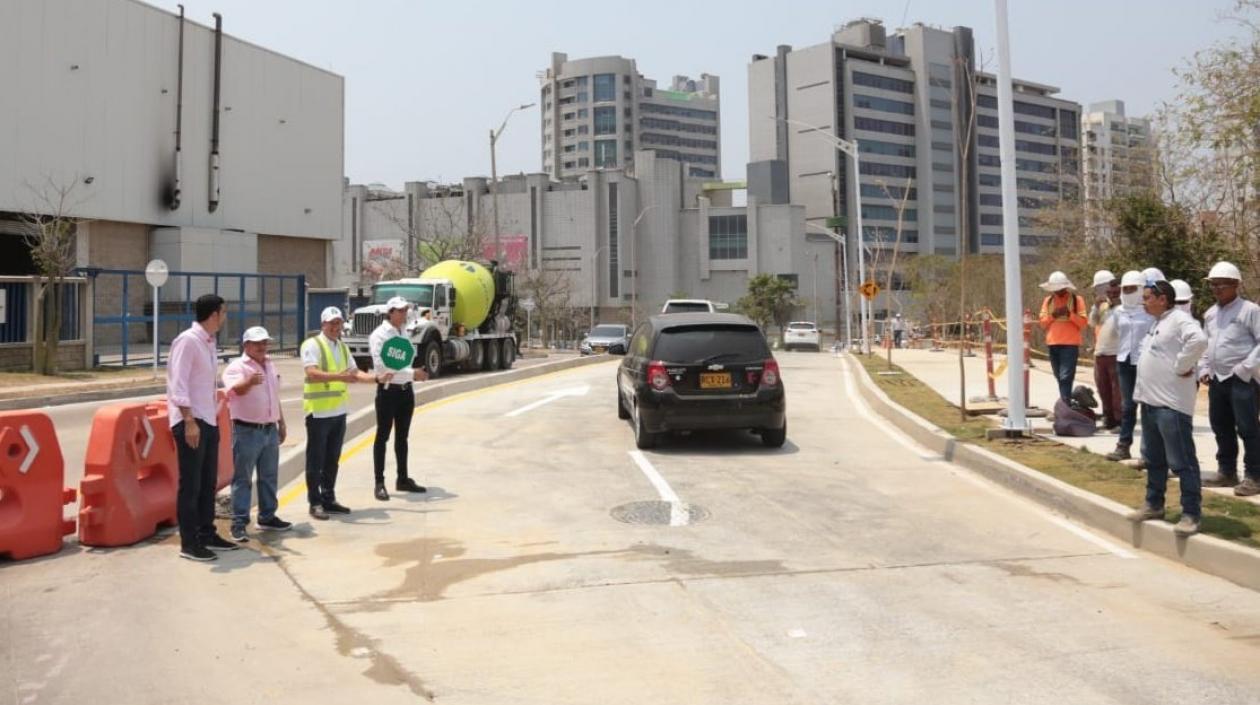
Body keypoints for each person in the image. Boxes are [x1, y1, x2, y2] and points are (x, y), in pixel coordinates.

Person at [1128, 280, 1208, 536]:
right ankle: (1154, 504)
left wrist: (1183, 365)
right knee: (1154, 460)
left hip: (1171, 407)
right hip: (1151, 404)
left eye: (1148, 297)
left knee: (1182, 462)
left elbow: (1198, 340)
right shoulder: (1158, 323)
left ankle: (1191, 513)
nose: (1144, 301)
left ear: (1163, 299)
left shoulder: (1179, 320)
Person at [168, 294, 237, 561]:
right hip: (191, 422)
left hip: (208, 419)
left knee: (208, 482)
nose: (225, 317)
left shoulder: (208, 343)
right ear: (214, 314)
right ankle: (189, 542)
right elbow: (179, 385)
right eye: (224, 312)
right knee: (191, 485)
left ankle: (207, 533)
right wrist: (188, 421)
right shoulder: (188, 341)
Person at [302, 307, 379, 520]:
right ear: (323, 325)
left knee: (332, 459)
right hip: (318, 413)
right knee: (315, 460)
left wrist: (376, 379)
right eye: (332, 323)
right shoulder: (312, 345)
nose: (336, 327)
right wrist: (339, 377)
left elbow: (354, 373)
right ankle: (315, 502)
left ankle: (329, 498)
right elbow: (312, 372)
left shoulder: (343, 348)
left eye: (339, 323)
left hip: (338, 412)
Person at [222, 326, 291, 543]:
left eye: (265, 342)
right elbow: (235, 391)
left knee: (269, 476)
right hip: (247, 430)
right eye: (258, 343)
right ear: (246, 345)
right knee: (243, 478)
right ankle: (239, 522)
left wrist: (281, 422)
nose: (263, 347)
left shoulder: (270, 364)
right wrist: (249, 382)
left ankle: (267, 516)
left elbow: (274, 396)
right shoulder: (237, 367)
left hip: (269, 429)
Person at [1198, 261, 1260, 496]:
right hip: (1218, 379)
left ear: (1235, 285)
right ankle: (1227, 471)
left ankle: (1254, 475)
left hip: (1242, 379)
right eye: (1213, 285)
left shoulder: (1250, 311)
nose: (1216, 290)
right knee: (1220, 425)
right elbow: (1206, 344)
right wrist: (1203, 368)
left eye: (1221, 285)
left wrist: (1246, 368)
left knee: (1248, 427)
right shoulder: (1211, 314)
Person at [369, 296, 427, 501]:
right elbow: (383, 367)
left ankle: (402, 478)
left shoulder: (404, 332)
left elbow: (404, 360)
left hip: (405, 391)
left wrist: (412, 374)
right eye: (400, 310)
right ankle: (379, 483)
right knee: (382, 437)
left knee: (402, 437)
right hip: (388, 391)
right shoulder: (380, 335)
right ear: (390, 312)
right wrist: (412, 373)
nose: (404, 314)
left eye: (405, 310)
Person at [1106, 270, 1156, 461]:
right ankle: (1123, 446)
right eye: (1125, 289)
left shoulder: (1149, 311)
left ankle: (1148, 452)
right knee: (1128, 406)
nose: (1128, 292)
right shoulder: (1119, 312)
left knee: (1147, 407)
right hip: (1124, 361)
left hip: (1145, 361)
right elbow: (1119, 332)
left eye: (1132, 288)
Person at [1038, 271, 1088, 402]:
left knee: (1066, 376)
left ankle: (1065, 403)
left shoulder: (1077, 300)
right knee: (1059, 375)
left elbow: (1083, 323)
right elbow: (1042, 324)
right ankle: (1066, 400)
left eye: (1060, 288)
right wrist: (1053, 315)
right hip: (1053, 343)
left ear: (1066, 287)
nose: (1058, 292)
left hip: (1070, 344)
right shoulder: (1047, 301)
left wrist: (1070, 314)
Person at [1088, 270, 1122, 430]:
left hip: (1116, 352)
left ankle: (1119, 420)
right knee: (1103, 388)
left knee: (1117, 390)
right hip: (1100, 352)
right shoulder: (1102, 306)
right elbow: (1092, 323)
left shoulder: (1123, 305)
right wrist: (1096, 307)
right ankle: (1108, 417)